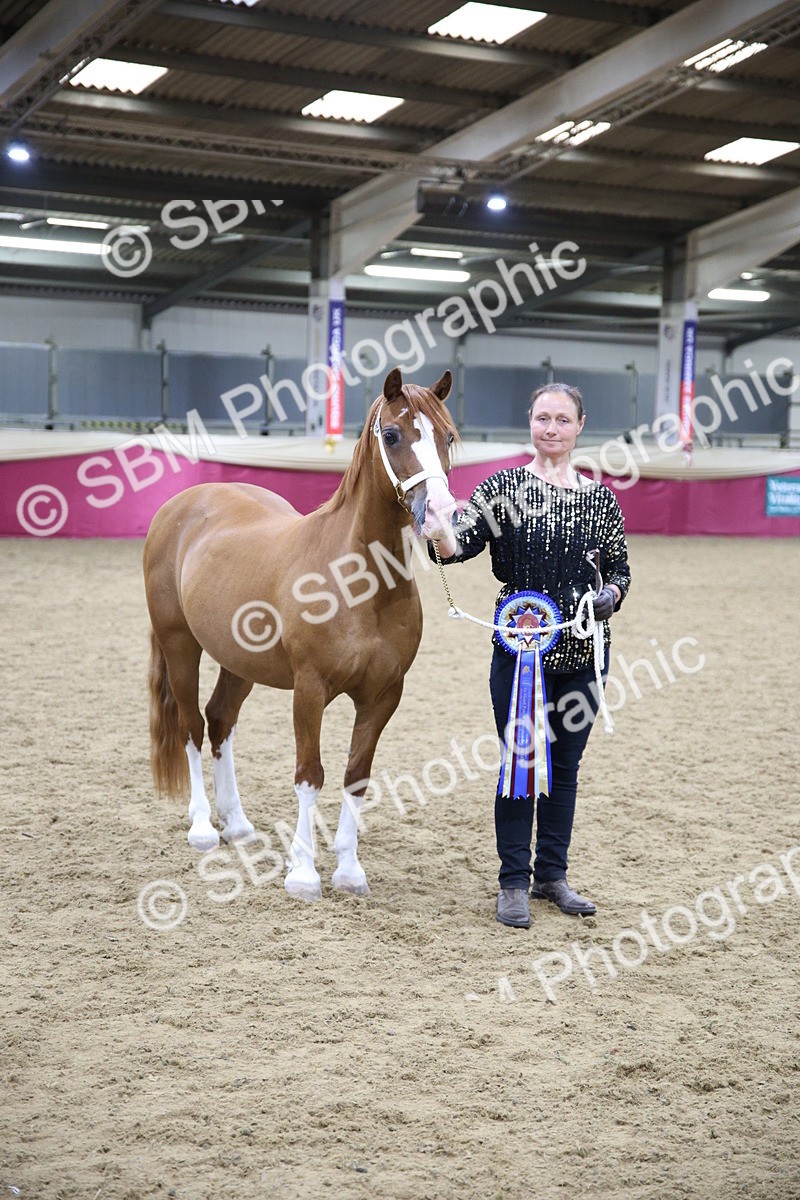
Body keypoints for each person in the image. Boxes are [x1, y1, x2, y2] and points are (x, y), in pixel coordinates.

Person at [430, 383, 631, 929]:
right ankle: (513, 882)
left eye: (562, 419)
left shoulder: (600, 500)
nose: (551, 428)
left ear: (579, 427)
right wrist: (441, 534)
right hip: (520, 653)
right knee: (520, 763)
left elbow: (620, 572)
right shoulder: (505, 488)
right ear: (530, 423)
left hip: (586, 655)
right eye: (542, 417)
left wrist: (610, 597)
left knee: (565, 767)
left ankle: (552, 875)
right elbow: (461, 545)